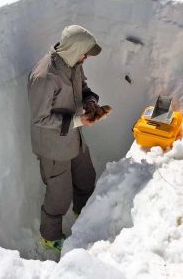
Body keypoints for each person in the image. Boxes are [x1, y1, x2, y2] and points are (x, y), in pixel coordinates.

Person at [28, 25, 110, 252]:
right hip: (53, 146)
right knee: (59, 195)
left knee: (86, 178)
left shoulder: (74, 63)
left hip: (75, 135)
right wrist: (78, 121)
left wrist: (90, 102)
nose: (86, 57)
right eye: (85, 52)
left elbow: (82, 87)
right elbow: (40, 119)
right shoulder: (44, 77)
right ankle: (50, 237)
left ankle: (83, 216)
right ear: (75, 49)